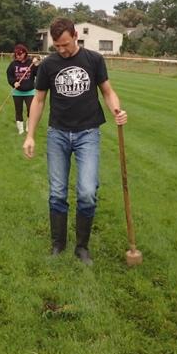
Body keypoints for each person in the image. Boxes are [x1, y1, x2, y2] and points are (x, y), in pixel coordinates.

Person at [22, 18, 127, 265]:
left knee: (88, 192)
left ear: (76, 35)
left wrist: (116, 110)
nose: (62, 50)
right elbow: (38, 100)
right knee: (57, 193)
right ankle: (58, 244)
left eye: (66, 44)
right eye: (57, 46)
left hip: (88, 133)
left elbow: (108, 92)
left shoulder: (93, 60)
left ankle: (82, 247)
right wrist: (30, 135)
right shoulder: (48, 65)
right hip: (57, 134)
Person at [6, 44, 40, 135]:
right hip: (17, 92)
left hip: (30, 91)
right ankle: (20, 128)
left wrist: (36, 65)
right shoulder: (13, 64)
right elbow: (9, 76)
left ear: (25, 53)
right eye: (16, 54)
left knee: (30, 109)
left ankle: (28, 125)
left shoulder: (31, 63)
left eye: (20, 54)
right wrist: (13, 83)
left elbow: (38, 74)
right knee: (18, 110)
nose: (18, 56)